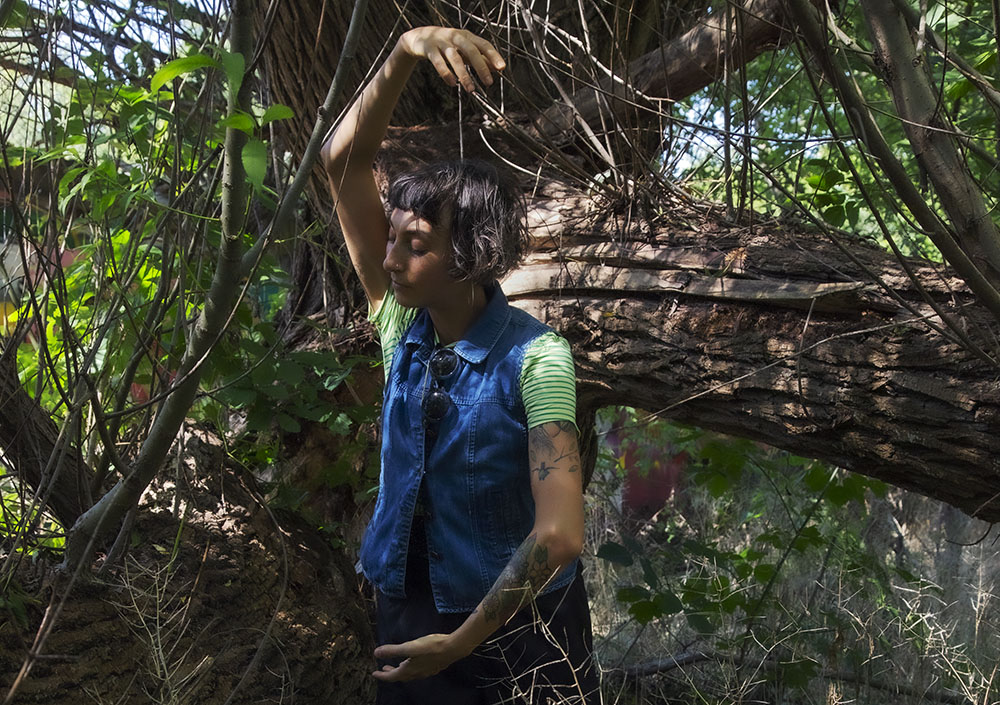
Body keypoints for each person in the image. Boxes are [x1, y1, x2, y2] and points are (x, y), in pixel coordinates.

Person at [320, 26, 601, 705]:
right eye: (390, 237)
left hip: (525, 632)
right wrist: (405, 51)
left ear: (470, 255)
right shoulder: (397, 322)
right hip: (411, 614)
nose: (388, 259)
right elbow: (340, 164)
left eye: (413, 245)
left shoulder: (538, 359)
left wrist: (462, 641)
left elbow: (559, 535)